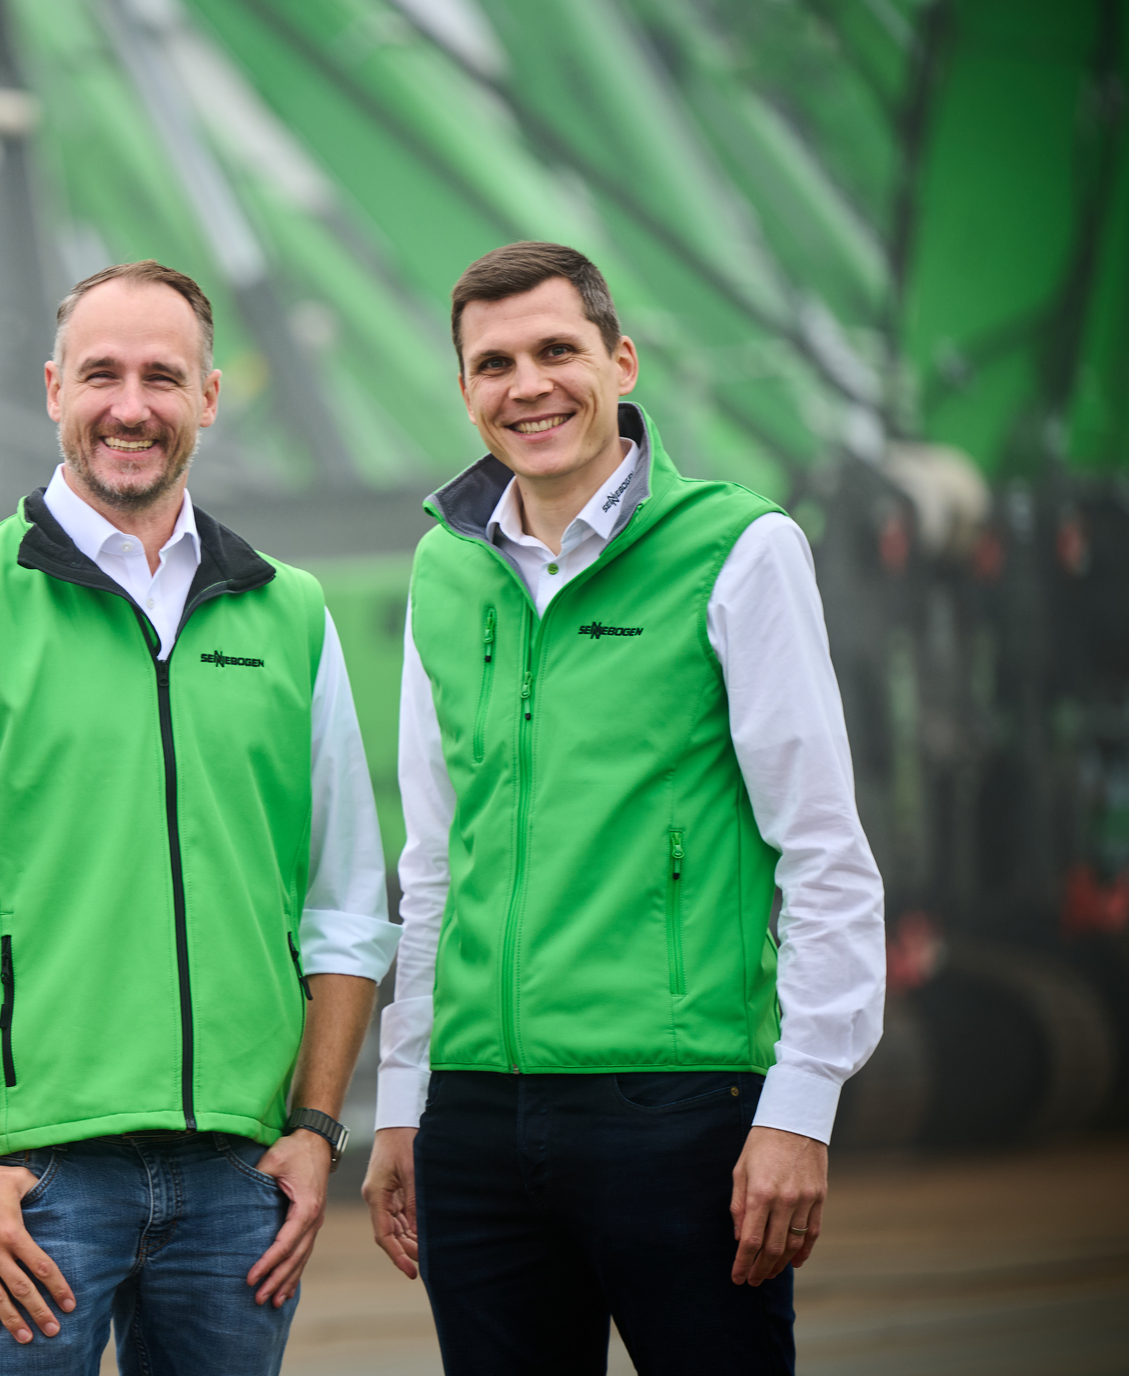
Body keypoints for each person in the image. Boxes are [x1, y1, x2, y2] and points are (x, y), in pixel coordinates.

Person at [0, 259, 398, 1375]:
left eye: (163, 377)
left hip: (237, 1183)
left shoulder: (291, 615)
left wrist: (317, 1130)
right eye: (102, 374)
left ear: (210, 397)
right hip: (32, 1188)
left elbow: (347, 908)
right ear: (53, 389)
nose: (132, 405)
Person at [361, 241, 885, 1374]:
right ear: (466, 391)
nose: (529, 385)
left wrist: (801, 1104)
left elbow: (823, 848)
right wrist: (405, 1096)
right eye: (494, 363)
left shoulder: (738, 549)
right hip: (478, 1117)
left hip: (678, 1105)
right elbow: (435, 857)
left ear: (623, 360)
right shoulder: (444, 570)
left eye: (559, 350)